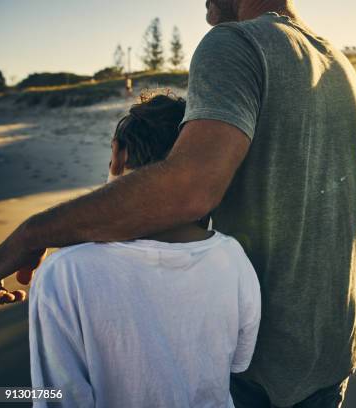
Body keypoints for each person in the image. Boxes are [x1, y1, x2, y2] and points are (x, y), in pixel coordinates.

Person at [0, 1, 356, 406]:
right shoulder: (342, 69)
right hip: (331, 356)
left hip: (258, 378)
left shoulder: (237, 42)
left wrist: (31, 234)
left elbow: (190, 188)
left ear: (119, 156)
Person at [28, 94, 262, 408]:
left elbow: (55, 397)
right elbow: (237, 363)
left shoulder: (64, 273)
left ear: (118, 155)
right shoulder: (232, 257)